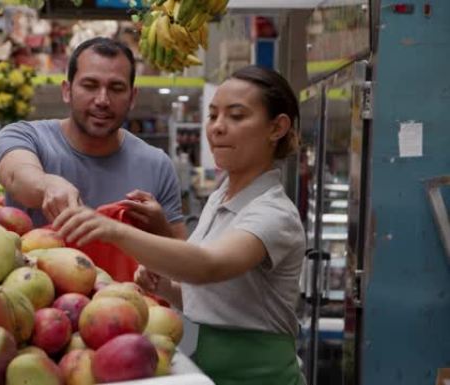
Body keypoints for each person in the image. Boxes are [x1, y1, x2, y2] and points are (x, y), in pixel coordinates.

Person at [54, 65, 306, 385]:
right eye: (213, 115)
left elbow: (210, 266)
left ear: (277, 128)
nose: (217, 128)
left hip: (258, 375)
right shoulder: (220, 198)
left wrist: (113, 230)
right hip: (207, 369)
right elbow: (214, 298)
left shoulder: (274, 213)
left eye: (236, 116)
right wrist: (167, 288)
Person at [0, 37, 186, 240]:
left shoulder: (157, 166)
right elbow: (16, 176)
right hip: (33, 272)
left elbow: (182, 262)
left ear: (132, 98)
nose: (102, 100)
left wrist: (160, 229)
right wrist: (47, 185)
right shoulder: (25, 137)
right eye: (90, 85)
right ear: (67, 91)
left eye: (116, 88)